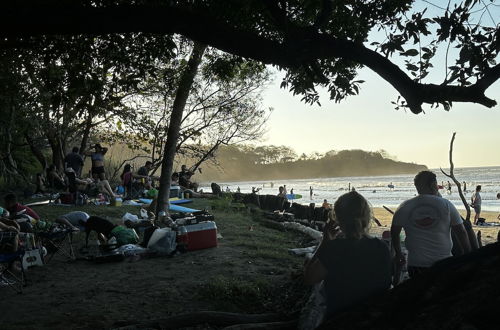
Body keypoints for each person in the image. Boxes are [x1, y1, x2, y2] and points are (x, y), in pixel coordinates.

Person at [304, 191, 391, 320]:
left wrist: (324, 242)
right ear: (367, 218)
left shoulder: (334, 248)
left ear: (337, 219)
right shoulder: (381, 247)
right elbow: (386, 284)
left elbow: (309, 278)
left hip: (339, 319)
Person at [391, 171, 471, 278]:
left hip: (416, 264)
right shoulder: (446, 205)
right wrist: (468, 254)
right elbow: (461, 231)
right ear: (433, 185)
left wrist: (398, 253)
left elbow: (394, 232)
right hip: (444, 262)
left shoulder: (404, 206)